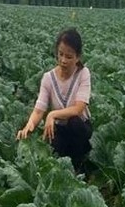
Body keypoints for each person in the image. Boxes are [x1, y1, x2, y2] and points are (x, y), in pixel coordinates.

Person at [16, 28, 92, 173]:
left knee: (74, 122)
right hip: (60, 128)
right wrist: (29, 126)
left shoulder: (83, 73)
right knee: (55, 153)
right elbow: (39, 110)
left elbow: (78, 108)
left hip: (80, 127)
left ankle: (80, 161)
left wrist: (52, 114)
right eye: (60, 54)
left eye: (69, 57)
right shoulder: (48, 78)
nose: (63, 60)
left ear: (78, 57)